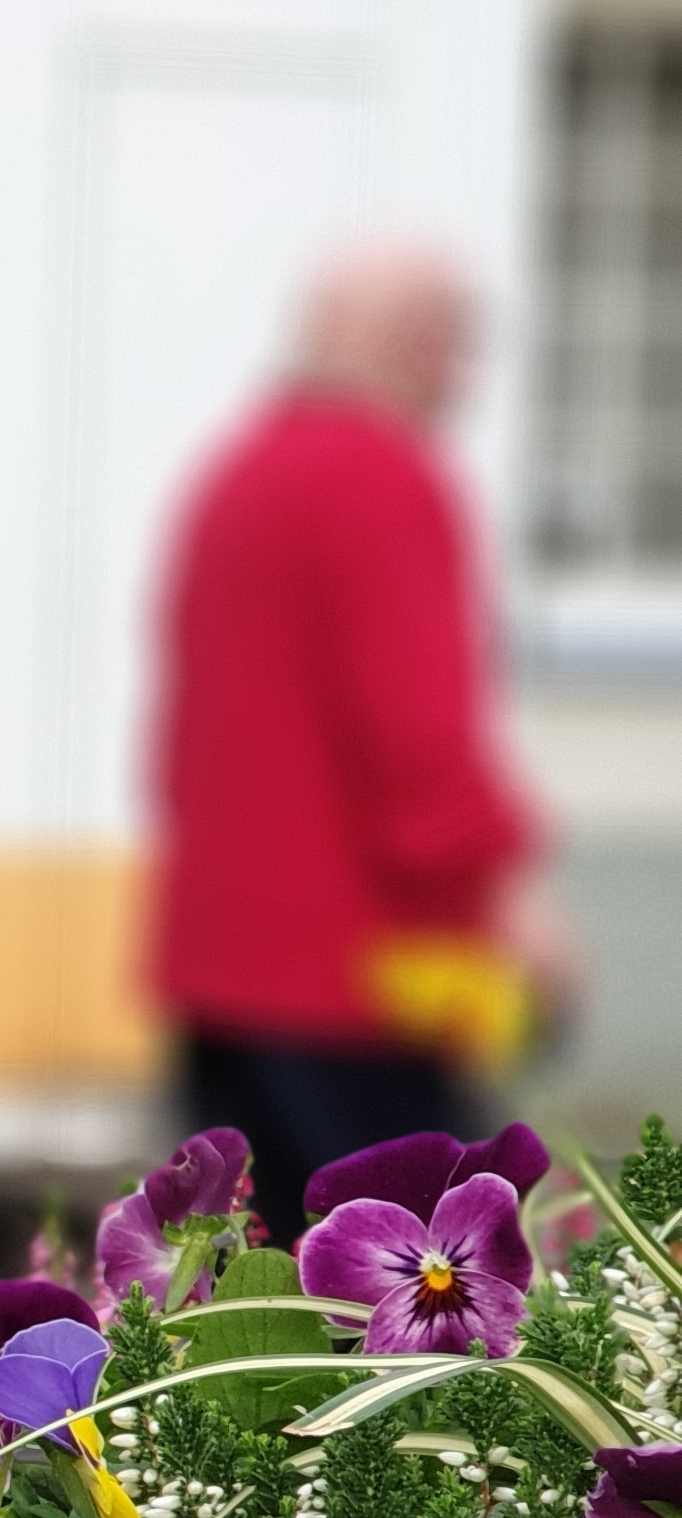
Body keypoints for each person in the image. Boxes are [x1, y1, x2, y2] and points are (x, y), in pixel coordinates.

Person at [151, 238, 558, 1217]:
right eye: (456, 344)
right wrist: (508, 900)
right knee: (411, 1306)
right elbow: (418, 740)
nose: (463, 378)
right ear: (415, 344)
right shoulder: (387, 479)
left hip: (219, 966)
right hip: (357, 980)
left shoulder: (237, 472)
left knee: (254, 1307)